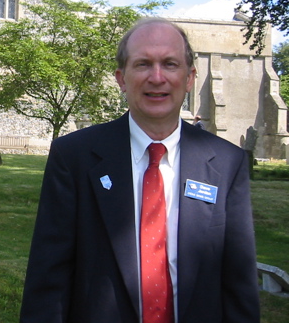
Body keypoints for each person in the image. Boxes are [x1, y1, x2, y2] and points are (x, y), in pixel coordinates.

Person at [20, 18, 259, 323]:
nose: (157, 77)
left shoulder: (227, 163)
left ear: (189, 78)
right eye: (143, 64)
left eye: (170, 64)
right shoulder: (74, 157)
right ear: (121, 78)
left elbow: (239, 285)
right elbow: (48, 281)